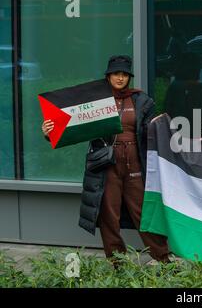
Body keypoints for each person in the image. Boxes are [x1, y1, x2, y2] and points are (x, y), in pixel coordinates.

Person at [41, 55, 170, 265]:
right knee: (109, 216)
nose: (120, 78)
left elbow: (150, 133)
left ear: (129, 77)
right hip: (107, 166)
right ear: (108, 76)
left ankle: (163, 258)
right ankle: (117, 263)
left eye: (124, 74)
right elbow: (72, 127)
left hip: (135, 165)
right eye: (116, 74)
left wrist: (162, 126)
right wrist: (50, 132)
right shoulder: (94, 102)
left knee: (144, 213)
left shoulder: (141, 100)